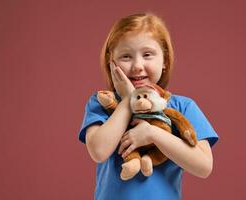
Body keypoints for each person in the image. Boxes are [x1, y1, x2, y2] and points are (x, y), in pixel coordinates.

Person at [78, 12, 218, 200]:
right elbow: (99, 151)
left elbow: (204, 167)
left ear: (165, 62)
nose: (137, 65)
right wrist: (129, 100)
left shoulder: (183, 106)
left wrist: (152, 133)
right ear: (112, 63)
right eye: (126, 56)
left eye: (147, 55)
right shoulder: (103, 103)